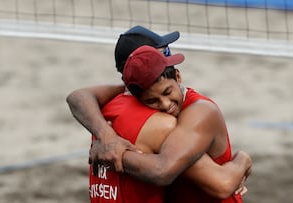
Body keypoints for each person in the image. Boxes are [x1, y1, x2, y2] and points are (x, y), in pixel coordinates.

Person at [67, 26, 252, 203]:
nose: (165, 105)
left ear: (177, 76)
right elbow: (77, 97)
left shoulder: (200, 111)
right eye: (164, 52)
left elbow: (221, 184)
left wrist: (243, 159)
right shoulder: (148, 111)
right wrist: (106, 136)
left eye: (167, 92)